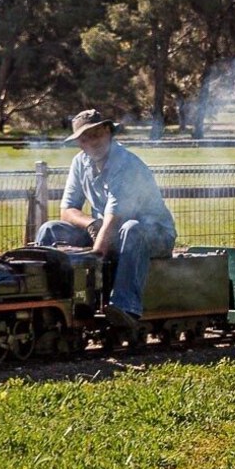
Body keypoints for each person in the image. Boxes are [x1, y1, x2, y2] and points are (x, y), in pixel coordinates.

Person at [35, 109, 176, 331]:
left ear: (109, 133)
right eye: (86, 137)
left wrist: (95, 256)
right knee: (50, 230)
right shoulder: (80, 163)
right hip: (106, 230)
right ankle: (48, 301)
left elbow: (115, 219)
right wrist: (90, 224)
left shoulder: (127, 165)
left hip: (152, 234)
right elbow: (68, 210)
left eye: (97, 134)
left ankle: (126, 306)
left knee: (132, 229)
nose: (93, 141)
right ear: (80, 143)